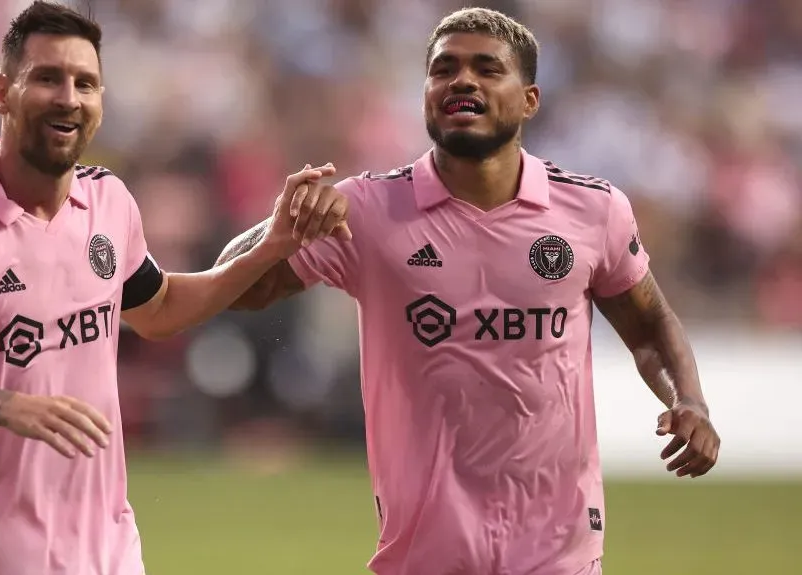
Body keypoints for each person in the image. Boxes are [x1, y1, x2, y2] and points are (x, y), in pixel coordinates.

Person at [216, 7, 720, 575]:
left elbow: (650, 325)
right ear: (427, 93)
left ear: (529, 99)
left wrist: (689, 402)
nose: (462, 81)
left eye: (486, 68)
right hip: (424, 551)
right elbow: (232, 290)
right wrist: (278, 229)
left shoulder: (593, 210)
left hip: (558, 551)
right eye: (444, 69)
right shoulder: (368, 210)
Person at [0, 3, 348, 574]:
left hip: (108, 548)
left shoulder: (108, 202)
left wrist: (272, 247)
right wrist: (8, 406)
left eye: (86, 83)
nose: (69, 98)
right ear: (1, 92)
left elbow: (159, 308)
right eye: (48, 78)